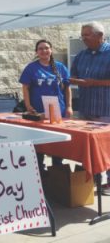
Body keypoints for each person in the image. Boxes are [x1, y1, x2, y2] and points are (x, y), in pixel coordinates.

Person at [19, 39, 72, 170]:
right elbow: (25, 87)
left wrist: (69, 106)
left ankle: (57, 173)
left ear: (51, 50)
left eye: (47, 48)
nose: (44, 51)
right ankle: (41, 174)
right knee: (39, 146)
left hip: (58, 112)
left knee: (57, 146)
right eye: (41, 48)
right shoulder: (31, 68)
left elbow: (67, 88)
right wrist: (28, 105)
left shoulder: (60, 67)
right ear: (36, 52)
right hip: (38, 112)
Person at [69, 22, 110, 191]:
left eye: (86, 35)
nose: (83, 38)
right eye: (82, 35)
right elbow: (72, 74)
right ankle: (90, 178)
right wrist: (73, 80)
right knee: (89, 148)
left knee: (107, 147)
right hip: (85, 108)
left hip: (105, 109)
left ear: (99, 36)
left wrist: (94, 83)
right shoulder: (81, 55)